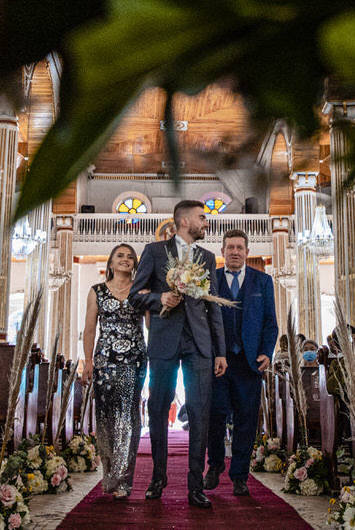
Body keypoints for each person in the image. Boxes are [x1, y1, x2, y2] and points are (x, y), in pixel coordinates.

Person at [130, 199, 227, 509]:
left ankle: (195, 485)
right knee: (158, 408)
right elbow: (136, 295)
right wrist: (161, 298)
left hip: (199, 343)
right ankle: (158, 478)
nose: (206, 222)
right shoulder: (155, 252)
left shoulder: (208, 257)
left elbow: (213, 306)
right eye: (202, 217)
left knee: (201, 412)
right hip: (164, 339)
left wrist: (219, 351)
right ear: (184, 221)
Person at [206, 229, 278, 495]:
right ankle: (214, 466)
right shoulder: (210, 280)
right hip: (218, 362)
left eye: (239, 247)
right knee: (215, 416)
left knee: (246, 421)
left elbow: (271, 323)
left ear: (247, 251)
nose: (235, 251)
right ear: (222, 251)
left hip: (249, 364)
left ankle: (239, 476)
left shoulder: (263, 281)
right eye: (230, 247)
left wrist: (267, 352)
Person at [81, 243, 146, 499]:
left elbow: (152, 323)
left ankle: (124, 480)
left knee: (129, 418)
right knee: (106, 418)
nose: (125, 260)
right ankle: (109, 475)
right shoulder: (96, 291)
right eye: (120, 256)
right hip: (104, 361)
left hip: (135, 358)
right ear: (110, 263)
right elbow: (89, 328)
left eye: (130, 257)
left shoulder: (142, 291)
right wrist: (87, 360)